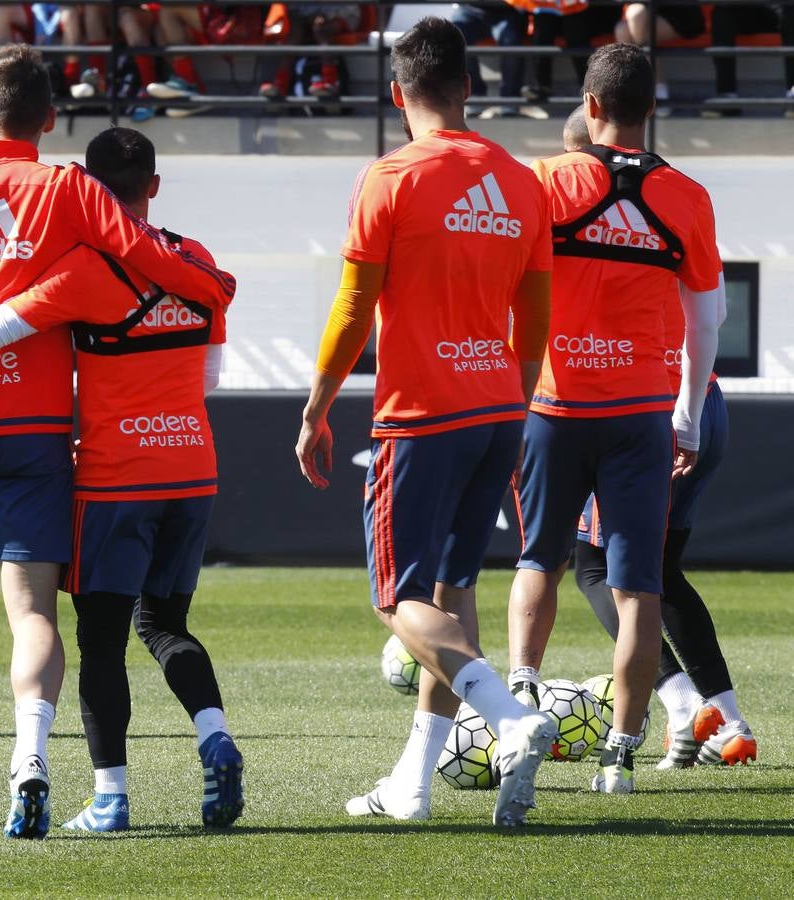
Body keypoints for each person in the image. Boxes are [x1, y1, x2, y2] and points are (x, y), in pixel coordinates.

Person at [0, 44, 235, 839]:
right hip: (37, 429)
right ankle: (29, 761)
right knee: (33, 611)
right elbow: (140, 251)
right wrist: (209, 289)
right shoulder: (68, 188)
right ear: (49, 119)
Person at [294, 17, 556, 827]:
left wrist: (317, 406)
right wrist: (509, 394)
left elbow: (352, 305)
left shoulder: (391, 176)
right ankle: (412, 783)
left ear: (399, 93)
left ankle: (509, 718)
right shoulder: (521, 181)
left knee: (397, 599)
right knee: (453, 588)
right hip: (496, 409)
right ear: (469, 87)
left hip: (422, 415)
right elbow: (536, 314)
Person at [507, 43, 726, 794]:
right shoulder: (689, 197)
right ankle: (621, 758)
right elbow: (709, 318)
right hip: (641, 415)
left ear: (590, 106)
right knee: (639, 590)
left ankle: (518, 708)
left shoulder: (544, 179)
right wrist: (688, 418)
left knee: (541, 561)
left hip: (551, 405)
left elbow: (507, 284)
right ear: (650, 107)